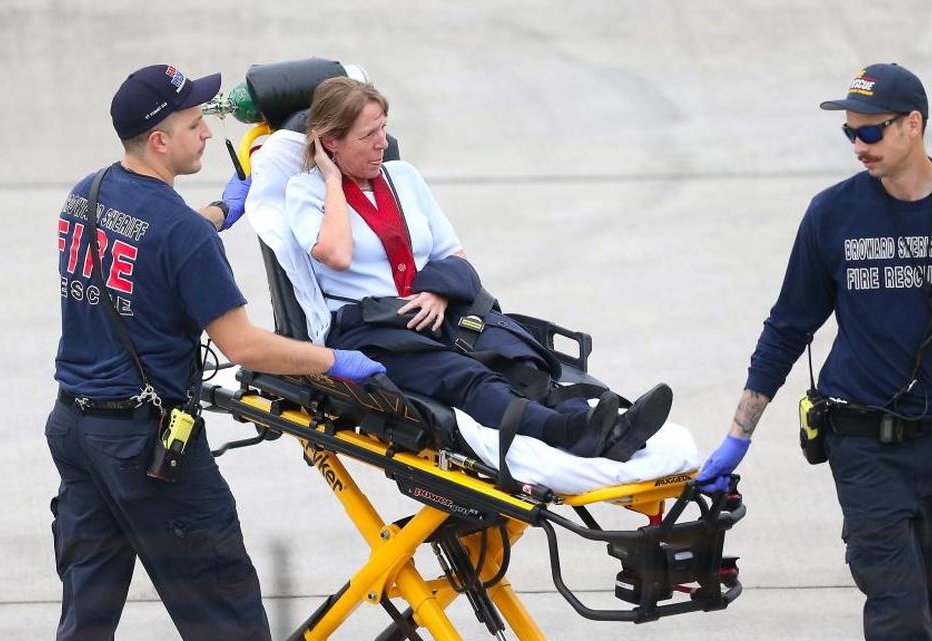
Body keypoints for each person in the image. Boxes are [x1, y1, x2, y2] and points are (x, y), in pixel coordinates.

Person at [695, 62, 932, 640]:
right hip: (862, 443)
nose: (857, 146)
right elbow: (787, 328)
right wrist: (740, 433)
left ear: (913, 124)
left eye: (870, 132)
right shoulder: (831, 214)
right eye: (849, 134)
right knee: (899, 618)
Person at [46, 64, 385, 641]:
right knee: (225, 614)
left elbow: (147, 241)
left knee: (87, 614)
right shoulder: (181, 234)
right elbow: (243, 345)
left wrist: (220, 213)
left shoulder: (87, 194)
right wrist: (334, 362)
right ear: (159, 140)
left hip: (76, 433)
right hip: (145, 447)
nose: (207, 131)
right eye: (194, 122)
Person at [283, 76, 673, 462]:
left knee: (517, 360)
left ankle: (612, 431)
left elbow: (455, 255)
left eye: (384, 128)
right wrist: (333, 180)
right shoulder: (307, 191)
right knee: (467, 377)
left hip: (433, 306)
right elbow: (336, 254)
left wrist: (438, 291)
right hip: (372, 330)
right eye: (369, 135)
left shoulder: (403, 177)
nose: (383, 142)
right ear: (330, 141)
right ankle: (569, 434)